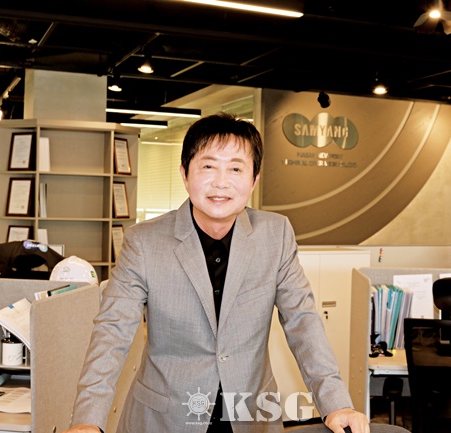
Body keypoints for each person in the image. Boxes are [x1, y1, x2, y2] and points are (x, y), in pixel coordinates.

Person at [64, 113, 369, 433]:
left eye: (236, 168)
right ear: (185, 174)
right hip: (165, 418)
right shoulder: (144, 242)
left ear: (254, 179)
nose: (221, 182)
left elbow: (303, 323)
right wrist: (87, 420)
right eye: (208, 167)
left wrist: (336, 404)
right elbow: (112, 332)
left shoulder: (275, 235)